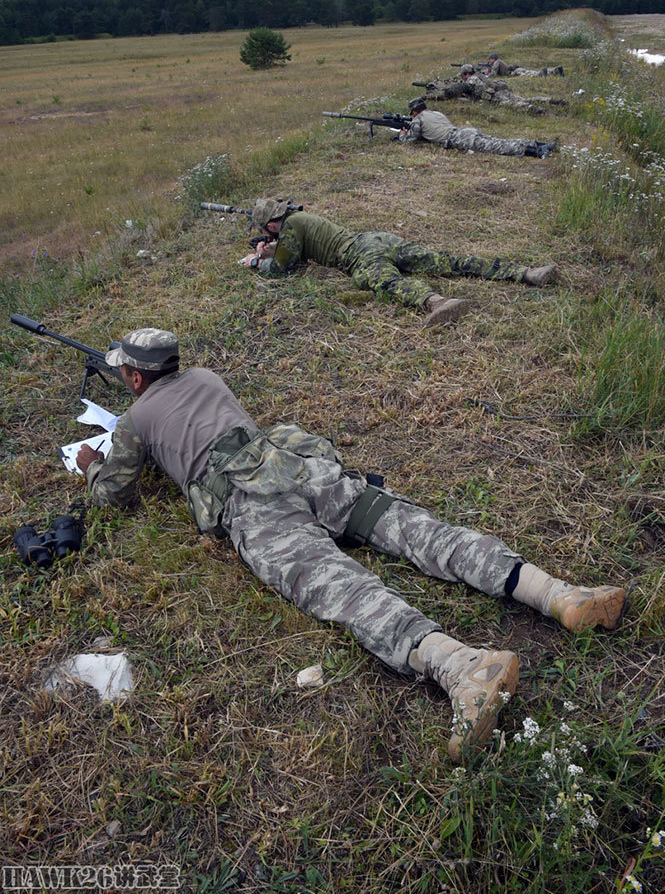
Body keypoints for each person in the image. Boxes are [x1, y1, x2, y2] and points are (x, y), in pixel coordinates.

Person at [77, 328, 627, 762]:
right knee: (415, 529)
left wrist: (91, 466)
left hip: (253, 505)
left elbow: (113, 497)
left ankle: (465, 669)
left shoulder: (135, 418)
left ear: (132, 376)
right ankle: (559, 594)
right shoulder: (206, 375)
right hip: (302, 468)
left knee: (343, 589)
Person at [239, 198, 557, 327]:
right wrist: (271, 249)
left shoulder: (290, 227)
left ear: (270, 225)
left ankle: (438, 302)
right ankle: (527, 273)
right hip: (377, 239)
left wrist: (256, 262)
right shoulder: (298, 219)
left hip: (359, 255)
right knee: (447, 261)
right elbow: (292, 249)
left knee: (387, 283)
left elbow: (283, 269)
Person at [400, 97, 558, 159]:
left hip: (458, 138)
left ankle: (537, 152)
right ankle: (539, 143)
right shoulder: (435, 113)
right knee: (499, 141)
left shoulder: (418, 119)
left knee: (498, 147)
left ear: (414, 111)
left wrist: (402, 134)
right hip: (464, 132)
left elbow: (410, 139)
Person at [418, 66, 568, 115]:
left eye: (462, 75)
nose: (462, 78)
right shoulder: (481, 76)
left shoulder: (470, 81)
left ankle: (535, 110)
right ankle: (551, 101)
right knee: (523, 98)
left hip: (494, 97)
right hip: (502, 89)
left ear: (465, 74)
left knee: (513, 105)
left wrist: (432, 97)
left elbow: (453, 92)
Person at [485, 53, 565, 78]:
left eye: (490, 59)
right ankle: (556, 70)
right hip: (516, 69)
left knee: (534, 75)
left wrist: (487, 74)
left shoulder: (496, 62)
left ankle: (545, 72)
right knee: (534, 72)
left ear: (493, 58)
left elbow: (493, 74)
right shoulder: (499, 61)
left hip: (514, 73)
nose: (489, 61)